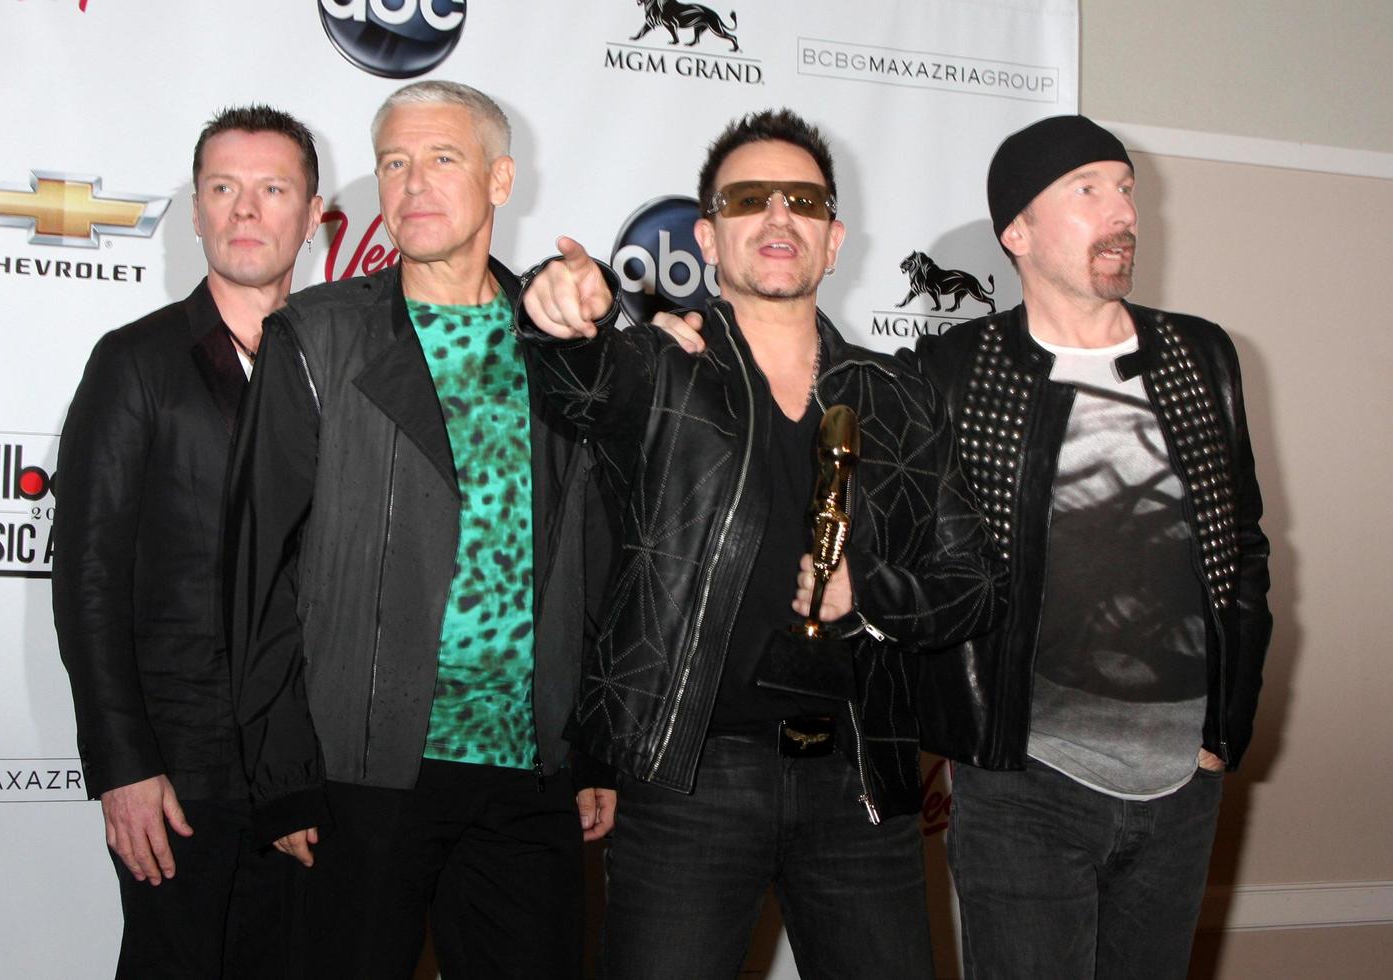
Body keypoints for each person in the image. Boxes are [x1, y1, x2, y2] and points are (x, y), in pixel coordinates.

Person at [519, 108, 1004, 980]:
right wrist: (550, 302)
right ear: (707, 236)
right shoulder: (658, 366)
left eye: (803, 203)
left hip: (863, 779)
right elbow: (574, 379)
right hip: (690, 776)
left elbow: (969, 581)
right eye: (750, 199)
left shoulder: (898, 392)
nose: (778, 218)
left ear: (833, 240)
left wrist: (873, 595)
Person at [223, 80, 613, 980]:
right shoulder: (317, 336)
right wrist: (282, 775)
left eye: (443, 158)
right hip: (365, 772)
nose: (412, 184)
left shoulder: (560, 342)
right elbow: (259, 569)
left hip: (529, 767)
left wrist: (595, 744)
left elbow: (599, 559)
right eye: (393, 163)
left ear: (501, 179)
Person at [913, 114, 1273, 979]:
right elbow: (928, 562)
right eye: (1087, 190)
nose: (1122, 213)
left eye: (1125, 189)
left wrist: (1225, 729)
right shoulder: (957, 368)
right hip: (1026, 781)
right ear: (1018, 232)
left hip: (1183, 781)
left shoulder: (1200, 354)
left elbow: (1246, 547)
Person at [53, 105, 324, 977]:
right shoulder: (135, 362)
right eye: (224, 189)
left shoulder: (344, 366)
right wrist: (123, 766)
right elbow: (89, 578)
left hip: (311, 775)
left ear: (314, 214)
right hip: (178, 775)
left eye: (272, 188)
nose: (247, 210)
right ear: (199, 211)